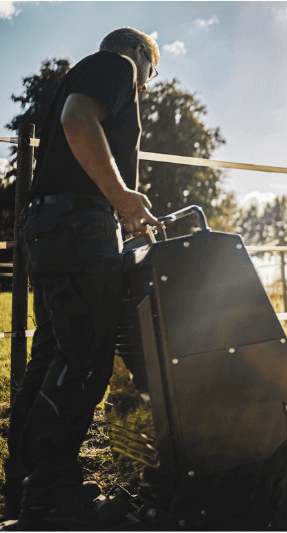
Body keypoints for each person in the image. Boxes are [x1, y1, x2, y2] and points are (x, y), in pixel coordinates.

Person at [2, 27, 165, 530]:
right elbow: (79, 122)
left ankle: (28, 483)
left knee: (52, 354)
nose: (140, 90)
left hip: (47, 224)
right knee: (85, 362)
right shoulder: (117, 65)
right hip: (81, 225)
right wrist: (122, 196)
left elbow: (68, 122)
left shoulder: (76, 78)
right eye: (148, 79)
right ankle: (51, 502)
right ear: (140, 54)